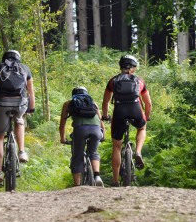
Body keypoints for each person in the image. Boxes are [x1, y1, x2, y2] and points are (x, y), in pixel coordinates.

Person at [0, 49, 35, 188]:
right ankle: (22, 151)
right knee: (20, 121)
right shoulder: (25, 68)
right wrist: (32, 108)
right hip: (20, 103)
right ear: (19, 58)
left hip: (1, 103)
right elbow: (30, 92)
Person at [101, 54, 152, 186]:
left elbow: (106, 101)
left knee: (117, 146)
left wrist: (105, 115)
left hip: (119, 111)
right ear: (133, 68)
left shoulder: (113, 81)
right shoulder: (139, 81)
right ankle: (138, 152)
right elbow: (148, 104)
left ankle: (115, 181)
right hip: (135, 109)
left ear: (121, 67)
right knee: (141, 128)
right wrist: (146, 117)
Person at [59, 86, 105, 186]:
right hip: (96, 130)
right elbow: (101, 120)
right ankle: (97, 176)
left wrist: (63, 138)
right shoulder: (93, 102)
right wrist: (103, 135)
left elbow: (62, 122)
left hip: (80, 130)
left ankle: (77, 185)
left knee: (77, 156)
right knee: (93, 152)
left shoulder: (68, 103)